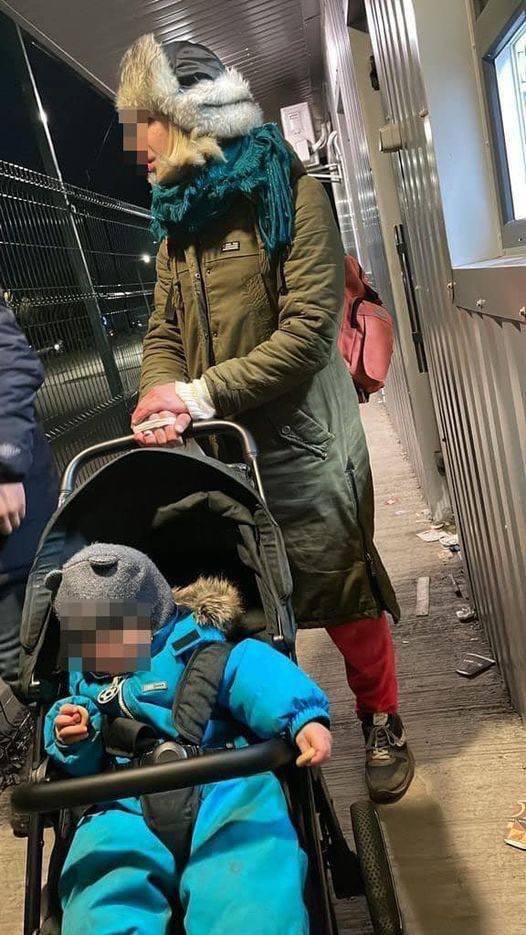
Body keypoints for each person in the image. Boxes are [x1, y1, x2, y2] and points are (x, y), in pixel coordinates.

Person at [116, 35, 414, 802]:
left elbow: (310, 332)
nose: (134, 147)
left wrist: (196, 397)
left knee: (341, 591)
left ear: (189, 117)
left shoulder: (290, 196)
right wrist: (159, 394)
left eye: (144, 126)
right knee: (245, 603)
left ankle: (381, 715)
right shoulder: (177, 225)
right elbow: (164, 330)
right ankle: (276, 725)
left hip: (305, 445)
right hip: (227, 452)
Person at [44, 543, 332, 935]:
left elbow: (257, 672)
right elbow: (80, 763)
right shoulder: (84, 686)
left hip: (224, 780)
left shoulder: (202, 649)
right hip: (121, 798)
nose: (96, 653)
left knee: (250, 881)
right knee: (102, 888)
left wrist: (303, 718)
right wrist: (73, 738)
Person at [0, 294, 58, 787]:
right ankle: (56, 750)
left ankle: (133, 726)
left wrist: (4, 465)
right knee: (18, 665)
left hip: (17, 518)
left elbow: (13, 365)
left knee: (90, 627)